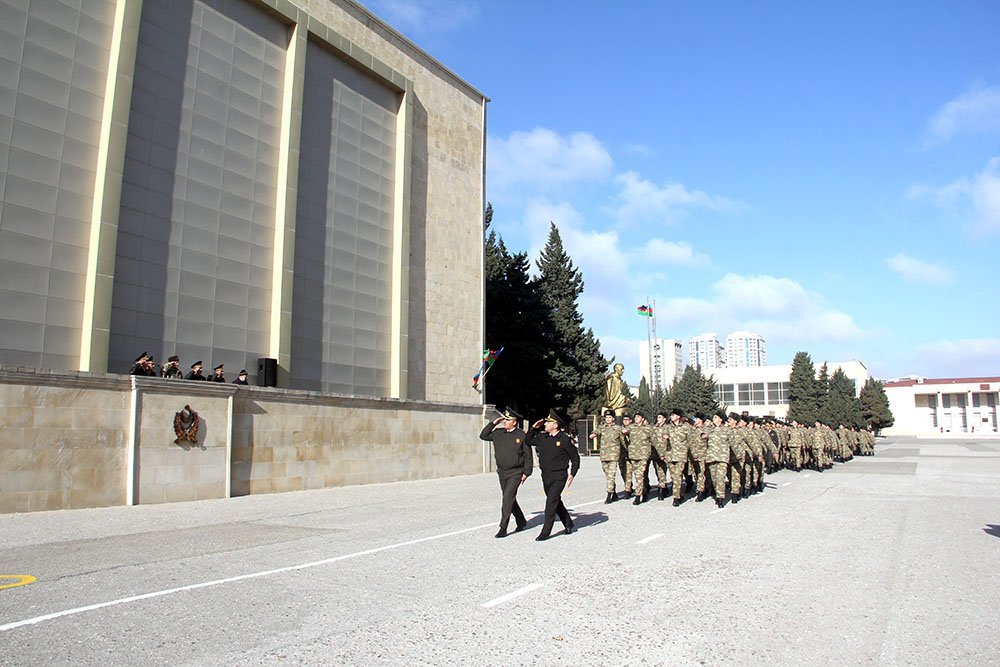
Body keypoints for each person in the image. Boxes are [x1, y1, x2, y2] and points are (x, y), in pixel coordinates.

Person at [527, 409, 580, 541]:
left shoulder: (564, 439)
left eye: (548, 422)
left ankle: (546, 532)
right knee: (555, 501)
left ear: (555, 425)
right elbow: (528, 440)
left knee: (550, 502)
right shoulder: (543, 437)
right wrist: (534, 428)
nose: (545, 424)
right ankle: (568, 523)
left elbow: (575, 458)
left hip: (559, 476)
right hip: (545, 475)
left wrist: (572, 473)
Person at [480, 407, 533, 538]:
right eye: (505, 419)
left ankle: (503, 527)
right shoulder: (498, 433)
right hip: (502, 472)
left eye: (508, 420)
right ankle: (521, 520)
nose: (505, 421)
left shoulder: (521, 436)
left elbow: (528, 456)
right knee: (509, 498)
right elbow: (483, 436)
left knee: (507, 498)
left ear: (514, 422)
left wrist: (527, 472)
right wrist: (493, 423)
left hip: (516, 472)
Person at [590, 410, 626, 503]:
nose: (608, 419)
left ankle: (609, 494)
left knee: (611, 475)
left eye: (610, 417)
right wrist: (593, 434)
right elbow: (596, 431)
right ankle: (614, 493)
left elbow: (623, 441)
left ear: (613, 418)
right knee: (607, 475)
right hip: (604, 455)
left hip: (614, 455)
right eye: (606, 417)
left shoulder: (618, 428)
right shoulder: (602, 427)